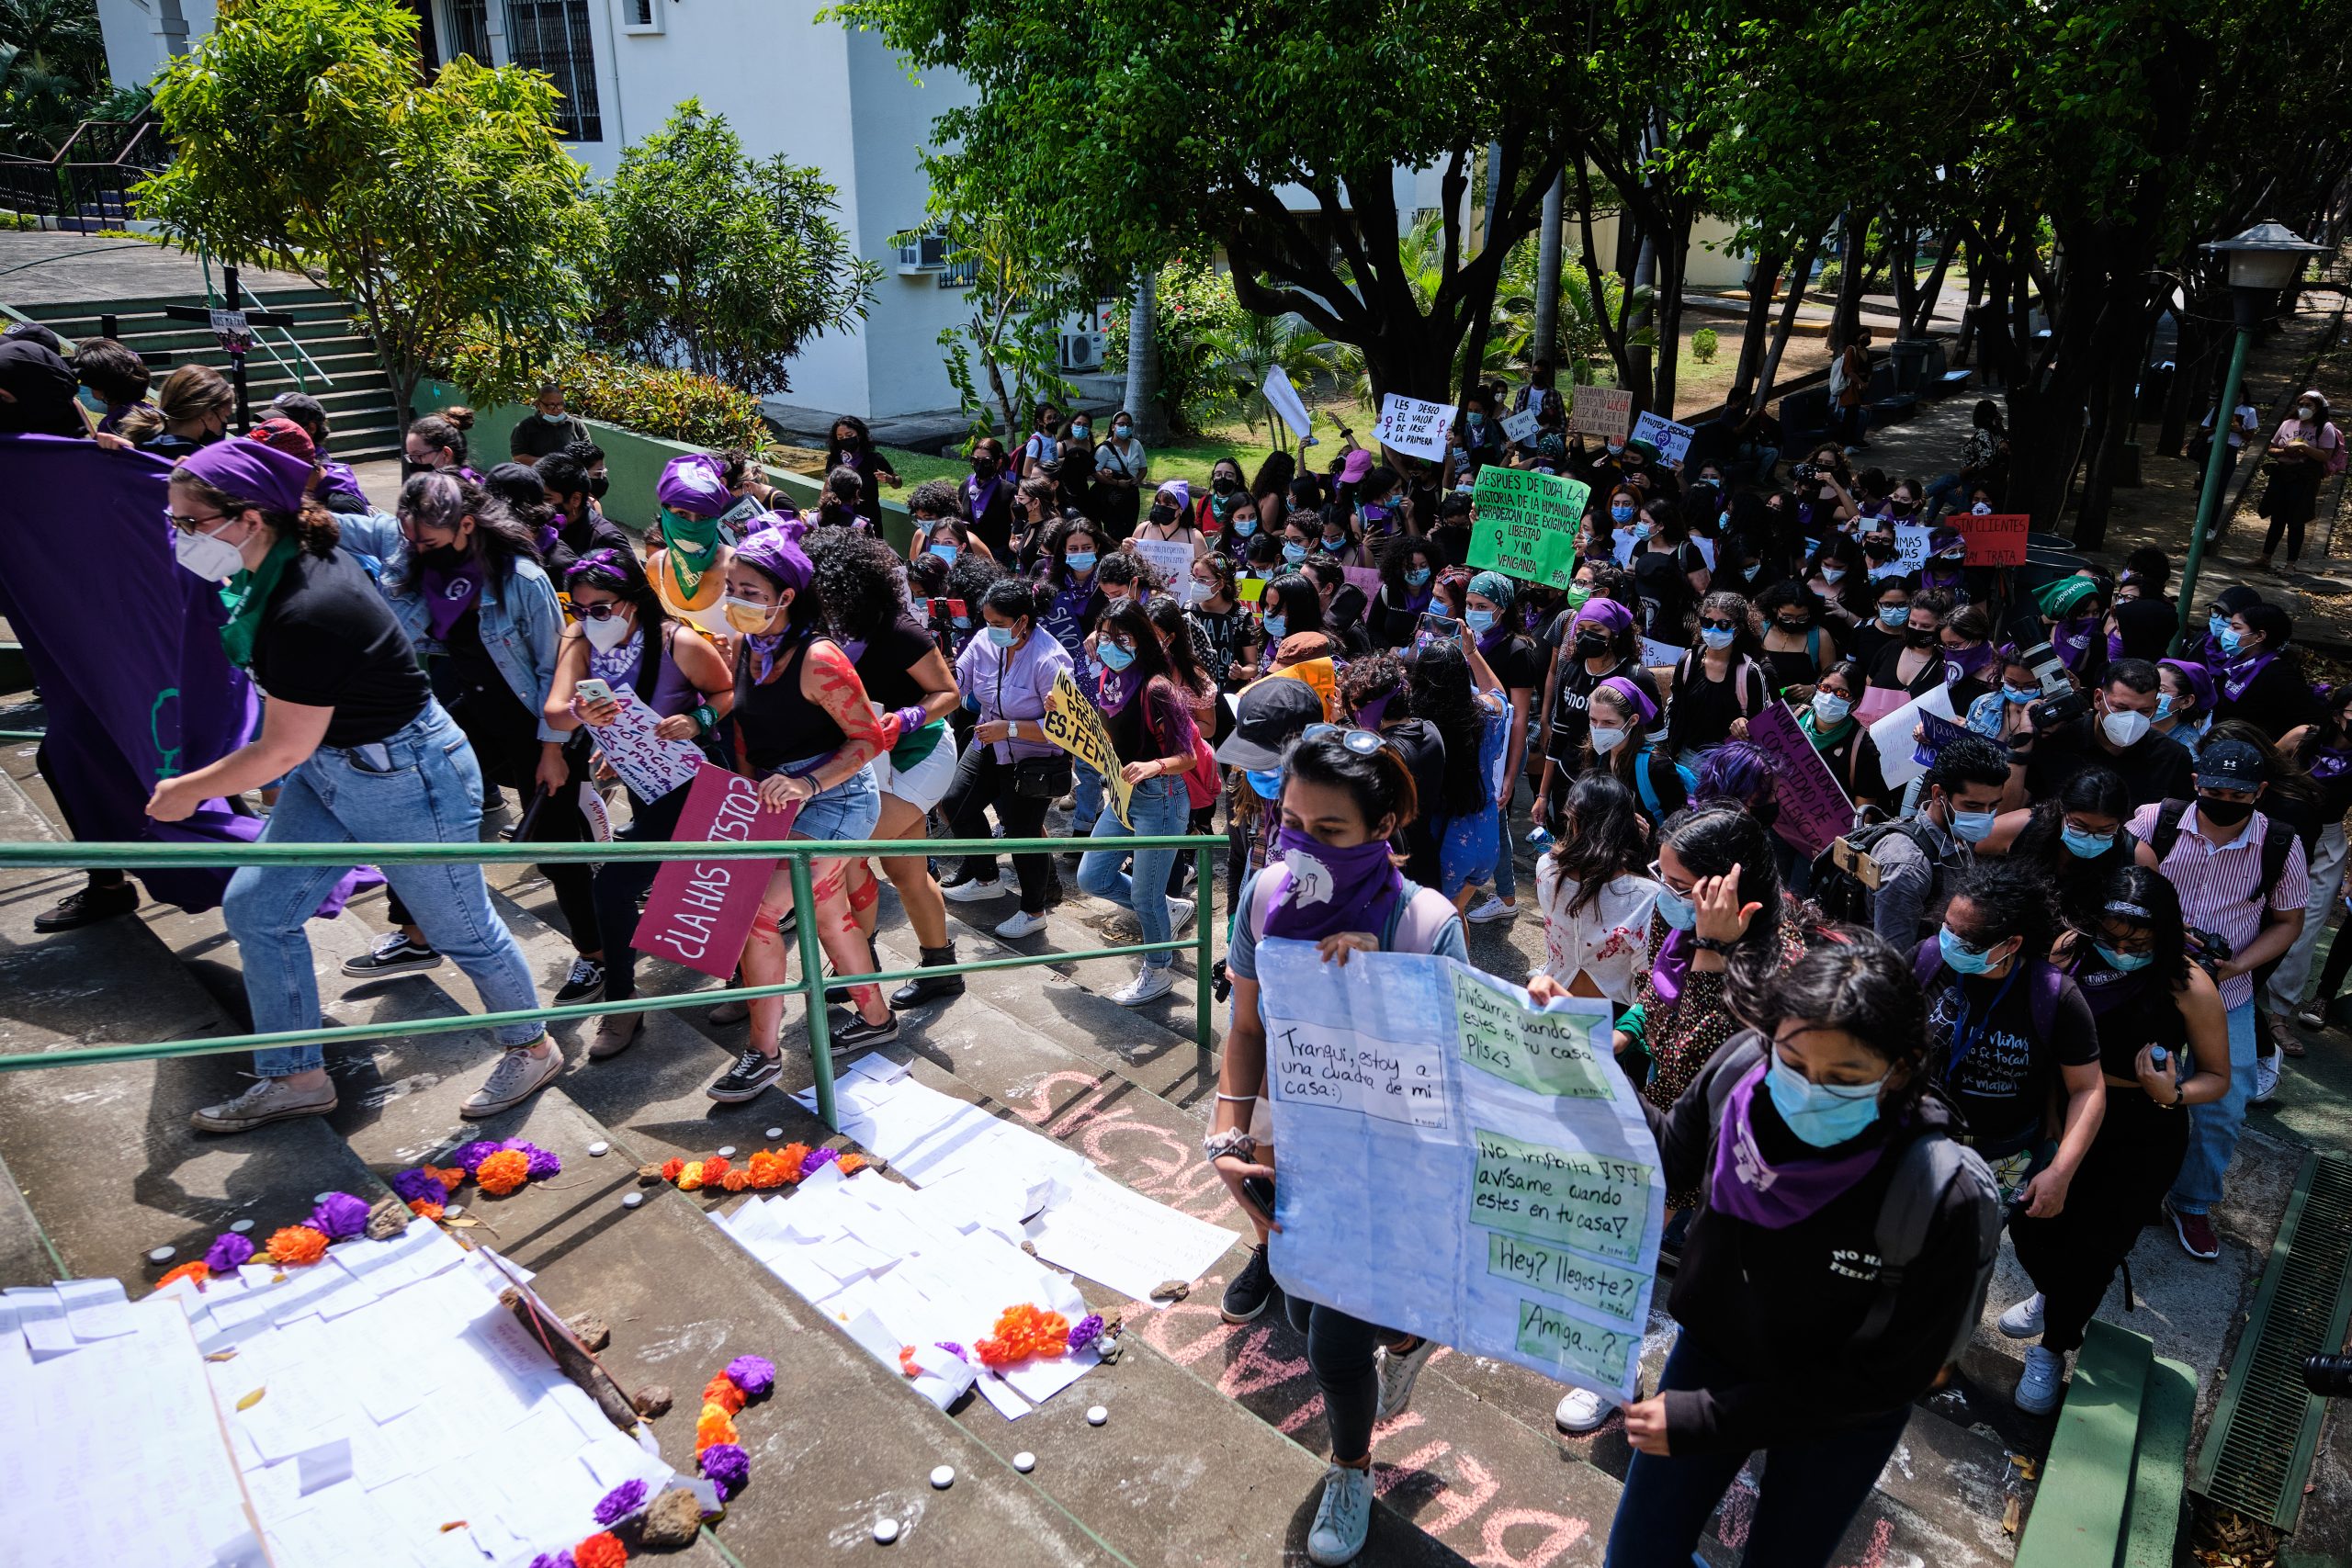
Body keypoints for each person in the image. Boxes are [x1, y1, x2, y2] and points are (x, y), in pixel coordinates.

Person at [147, 439, 550, 1130]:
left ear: (247, 519)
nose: (178, 534)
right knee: (257, 908)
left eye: (188, 521)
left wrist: (187, 789)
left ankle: (531, 1045)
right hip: (334, 768)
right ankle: (295, 1071)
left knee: (464, 929)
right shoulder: (272, 570)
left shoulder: (308, 604)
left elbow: (280, 747)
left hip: (407, 777)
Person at [1565, 936, 2000, 1568]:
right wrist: (1583, 1062)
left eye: (1845, 1078)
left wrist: (1708, 1419)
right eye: (1792, 1061)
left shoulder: (1938, 1191)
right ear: (1771, 1035)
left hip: (1843, 1409)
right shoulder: (1742, 1068)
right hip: (1715, 1353)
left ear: (1901, 1067)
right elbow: (1673, 1154)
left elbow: (1891, 1377)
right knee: (1636, 1554)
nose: (1808, 1090)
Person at [1204, 728, 1468, 1564]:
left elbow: (1456, 1084)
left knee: (1328, 1341)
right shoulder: (1263, 898)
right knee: (1303, 1302)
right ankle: (1407, 1334)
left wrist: (1382, 987)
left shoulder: (1426, 925)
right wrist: (1229, 1127)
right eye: (1290, 823)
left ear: (1384, 824)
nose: (1301, 849)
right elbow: (1245, 1027)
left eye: (1330, 831)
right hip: (1288, 1152)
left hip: (1387, 1177)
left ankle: (1348, 1466)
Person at [334, 472, 605, 1002]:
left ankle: (595, 956)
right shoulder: (414, 542)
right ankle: (416, 937)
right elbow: (352, 529)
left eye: (429, 544)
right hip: (474, 710)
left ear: (465, 525)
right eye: (410, 540)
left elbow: (559, 668)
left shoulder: (520, 580)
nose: (417, 552)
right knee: (419, 810)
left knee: (559, 848)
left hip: (537, 723)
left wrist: (552, 750)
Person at [1999, 866, 2230, 1412]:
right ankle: (2053, 1294)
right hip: (2062, 1108)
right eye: (2111, 937)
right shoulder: (2071, 953)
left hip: (2142, 1125)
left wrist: (2172, 1092)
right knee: (2027, 1222)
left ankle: (2055, 1346)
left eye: (2138, 942)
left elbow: (2217, 1078)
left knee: (2096, 1246)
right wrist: (2051, 1107)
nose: (2122, 950)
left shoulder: (2188, 984)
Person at [710, 525, 899, 1102]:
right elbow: (743, 726)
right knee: (828, 913)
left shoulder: (820, 658)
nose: (734, 599)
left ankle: (763, 1055)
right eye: (731, 587)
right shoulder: (745, 647)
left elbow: (869, 738)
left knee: (757, 917)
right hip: (772, 800)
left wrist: (807, 782)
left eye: (749, 590)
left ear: (786, 596)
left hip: (836, 802)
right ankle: (876, 1019)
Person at [545, 548, 734, 1059]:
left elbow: (725, 693)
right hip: (643, 782)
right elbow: (556, 713)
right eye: (578, 607)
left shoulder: (681, 641)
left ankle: (626, 1002)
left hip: (695, 780)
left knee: (624, 885)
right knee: (691, 877)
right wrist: (583, 713)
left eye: (601, 607)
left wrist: (698, 723)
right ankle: (725, 982)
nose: (590, 618)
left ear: (633, 600)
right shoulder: (579, 639)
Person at [2127, 737, 2308, 1259]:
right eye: (2215, 790)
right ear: (2195, 784)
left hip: (2225, 988)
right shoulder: (2155, 822)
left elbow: (2287, 922)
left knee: (2224, 1105)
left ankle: (2193, 1201)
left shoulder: (2279, 844)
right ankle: (2131, 1185)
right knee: (2133, 1083)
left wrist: (2237, 965)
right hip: (2147, 977)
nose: (2224, 800)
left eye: (2239, 793)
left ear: (2261, 792)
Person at [814, 531, 967, 1011]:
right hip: (867, 760)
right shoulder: (823, 630)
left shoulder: (901, 631)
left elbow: (948, 693)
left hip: (919, 753)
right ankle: (941, 969)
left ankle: (857, 962)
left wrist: (906, 718)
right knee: (907, 872)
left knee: (849, 851)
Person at [1917, 861, 2107, 1229]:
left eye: (1967, 939)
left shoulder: (2055, 995)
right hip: (1915, 1140)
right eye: (1948, 928)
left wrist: (2062, 1172)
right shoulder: (1926, 959)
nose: (1950, 942)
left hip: (2000, 1155)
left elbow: (2088, 1088)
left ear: (2013, 943)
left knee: (1964, 1255)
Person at [1075, 598, 1203, 1005]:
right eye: (1105, 636)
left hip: (1161, 800)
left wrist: (1154, 766)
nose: (1110, 645)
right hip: (1122, 794)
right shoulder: (1110, 679)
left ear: (1141, 640)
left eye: (1121, 638)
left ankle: (1159, 970)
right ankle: (1167, 908)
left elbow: (1190, 755)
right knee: (1091, 877)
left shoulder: (1159, 688)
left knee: (1144, 898)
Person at [940, 578, 1074, 937]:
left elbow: (1063, 727)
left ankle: (1033, 911)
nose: (991, 630)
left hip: (1034, 757)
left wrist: (1010, 728)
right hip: (988, 742)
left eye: (999, 624)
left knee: (1022, 832)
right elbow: (959, 682)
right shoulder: (984, 641)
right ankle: (986, 879)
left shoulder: (1051, 660)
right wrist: (943, 671)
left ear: (1023, 621)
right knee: (955, 804)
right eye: (987, 622)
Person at [1866, 732, 2010, 948]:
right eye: (1972, 806)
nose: (1984, 816)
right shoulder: (1908, 867)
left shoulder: (1958, 836)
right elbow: (1893, 957)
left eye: (1993, 806)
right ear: (1939, 795)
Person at [1977, 763, 2159, 930]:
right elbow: (1965, 855)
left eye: (2105, 830)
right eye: (2080, 826)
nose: (2090, 837)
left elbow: (2150, 917)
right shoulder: (2021, 828)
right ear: (2062, 810)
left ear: (2120, 823)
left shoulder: (2137, 857)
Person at [1534, 772, 1660, 1009]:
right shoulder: (1647, 895)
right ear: (1626, 825)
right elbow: (1648, 975)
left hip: (1554, 1001)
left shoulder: (1546, 869)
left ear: (1572, 819)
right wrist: (1636, 847)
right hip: (1614, 1017)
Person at [2268, 683, 2352, 1024]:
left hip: (2327, 842)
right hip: (2280, 829)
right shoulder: (2303, 737)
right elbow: (2265, 773)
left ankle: (2280, 1011)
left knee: (2307, 921)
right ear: (2336, 714)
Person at [2010, 658, 2195, 810]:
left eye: (2144, 711)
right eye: (2121, 708)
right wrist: (2021, 745)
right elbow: (2010, 811)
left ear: (2155, 708)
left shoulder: (2172, 758)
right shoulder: (2056, 742)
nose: (2131, 719)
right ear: (2099, 699)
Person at [1464, 571, 1541, 922]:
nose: (1473, 611)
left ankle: (1507, 897)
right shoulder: (1471, 641)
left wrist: (1511, 773)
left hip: (1503, 748)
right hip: (1476, 740)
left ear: (1502, 608)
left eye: (1482, 606)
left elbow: (1519, 718)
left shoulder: (1517, 649)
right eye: (1469, 604)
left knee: (1496, 821)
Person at [1666, 591, 1768, 768]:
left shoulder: (1749, 672)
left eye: (1723, 624)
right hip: (1687, 759)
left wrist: (1745, 724)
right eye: (1707, 622)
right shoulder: (1688, 661)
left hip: (1730, 764)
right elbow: (1674, 708)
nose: (1713, 630)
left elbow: (1762, 725)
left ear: (1738, 629)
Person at [1581, 675, 1690, 830]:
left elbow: (1681, 828)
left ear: (1632, 720)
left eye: (1608, 722)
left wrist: (1646, 836)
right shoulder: (1596, 754)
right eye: (1593, 720)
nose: (1598, 729)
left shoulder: (1657, 767)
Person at [2256, 389, 2342, 570]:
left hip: (2304, 478)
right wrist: (2285, 451)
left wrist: (2303, 447)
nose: (2303, 409)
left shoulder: (2324, 428)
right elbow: (2272, 448)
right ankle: (2265, 558)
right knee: (2277, 518)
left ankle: (2290, 564)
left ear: (2317, 408)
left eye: (2308, 405)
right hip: (2282, 474)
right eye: (2301, 405)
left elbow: (2325, 456)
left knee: (2296, 520)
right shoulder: (2288, 423)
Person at [2210, 599, 2317, 742]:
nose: (2227, 632)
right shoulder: (2234, 663)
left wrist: (2277, 751)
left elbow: (2311, 722)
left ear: (2259, 636)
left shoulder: (2279, 675)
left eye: (2236, 627)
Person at [119, 364, 233, 458]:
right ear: (207, 414)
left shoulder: (132, 447)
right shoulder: (202, 464)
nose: (224, 423)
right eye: (225, 416)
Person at [1755, 581, 1839, 704]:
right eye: (1787, 617)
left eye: (1801, 618)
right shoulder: (1760, 629)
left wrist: (1813, 689)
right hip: (1763, 705)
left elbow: (1832, 680)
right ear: (1775, 609)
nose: (1794, 622)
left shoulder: (1820, 636)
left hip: (1801, 708)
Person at [1923, 399, 2007, 520]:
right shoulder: (1994, 432)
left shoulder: (1983, 432)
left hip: (1974, 481)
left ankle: (1924, 509)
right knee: (1948, 479)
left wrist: (1968, 470)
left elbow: (1986, 457)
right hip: (1970, 480)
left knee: (1943, 493)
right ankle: (1924, 494)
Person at [73, 334, 153, 435]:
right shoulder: (148, 412)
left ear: (101, 386)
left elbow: (103, 450)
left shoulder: (113, 425)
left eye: (85, 380)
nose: (83, 385)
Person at [826, 414, 899, 522]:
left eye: (849, 435)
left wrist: (890, 479)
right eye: (840, 438)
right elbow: (826, 489)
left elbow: (898, 483)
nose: (845, 440)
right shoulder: (834, 460)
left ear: (859, 435)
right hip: (841, 520)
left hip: (870, 519)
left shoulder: (874, 458)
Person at [960, 436, 1019, 558]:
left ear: (998, 463)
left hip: (998, 559)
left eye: (986, 462)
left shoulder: (1009, 491)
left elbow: (1018, 528)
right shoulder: (965, 487)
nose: (980, 466)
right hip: (968, 556)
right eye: (975, 460)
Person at [508, 381, 586, 465]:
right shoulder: (524, 427)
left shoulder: (576, 425)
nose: (556, 410)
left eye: (560, 405)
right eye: (550, 405)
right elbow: (518, 458)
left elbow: (589, 453)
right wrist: (553, 463)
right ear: (538, 404)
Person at [2153, 657, 2214, 758]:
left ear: (2186, 701)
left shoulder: (2188, 752)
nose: (2150, 693)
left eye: (2161, 689)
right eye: (2149, 685)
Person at [400, 409, 476, 479]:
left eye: (418, 456)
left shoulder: (458, 492)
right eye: (410, 457)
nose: (413, 464)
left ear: (446, 454)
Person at [1832, 328, 1873, 450]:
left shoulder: (1866, 351)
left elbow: (1870, 369)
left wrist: (1867, 382)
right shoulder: (1851, 350)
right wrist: (1860, 382)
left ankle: (1854, 440)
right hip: (1851, 388)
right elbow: (1848, 370)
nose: (1866, 339)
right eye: (1864, 337)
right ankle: (1845, 442)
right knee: (1850, 415)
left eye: (1868, 337)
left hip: (1862, 388)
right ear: (1858, 337)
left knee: (1856, 415)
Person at [1020, 401, 1061, 479]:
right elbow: (1026, 472)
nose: (1054, 421)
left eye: (1055, 417)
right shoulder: (1036, 442)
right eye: (1049, 418)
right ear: (1040, 422)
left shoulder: (1052, 436)